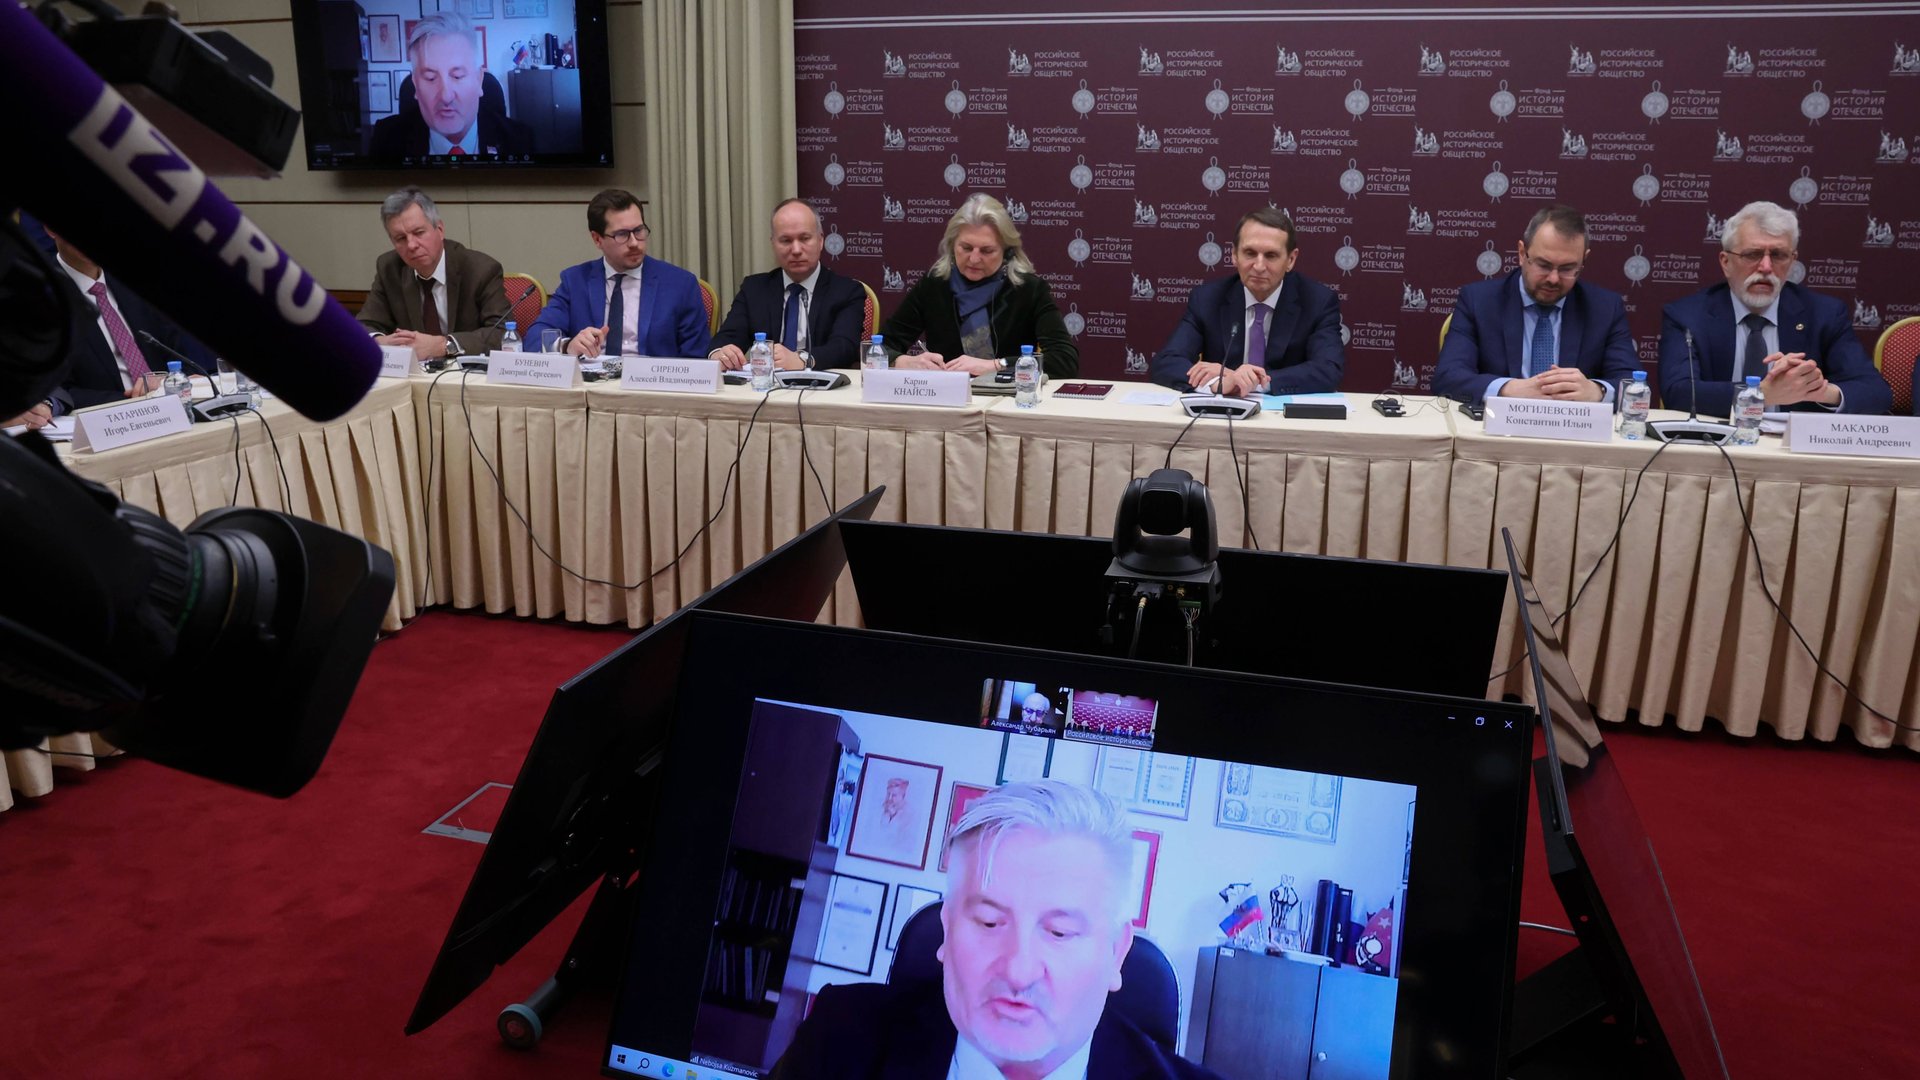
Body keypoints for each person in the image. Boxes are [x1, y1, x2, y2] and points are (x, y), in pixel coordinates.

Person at [775, 780, 1218, 1079]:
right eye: (989, 922)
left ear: (1116, 953)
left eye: (1060, 932)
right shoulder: (838, 1038)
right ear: (947, 929)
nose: (1019, 971)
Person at [1658, 200, 1892, 416]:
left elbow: (1876, 393)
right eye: (1753, 254)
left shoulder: (1824, 314)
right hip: (1716, 442)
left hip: (1794, 446)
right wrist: (1761, 394)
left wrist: (1819, 391)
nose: (1766, 267)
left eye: (1778, 255)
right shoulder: (1688, 316)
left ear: (1792, 261)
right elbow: (1677, 393)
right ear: (1726, 262)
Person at [1431, 204, 1637, 405]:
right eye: (1543, 265)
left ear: (1584, 260)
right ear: (1522, 253)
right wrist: (1507, 389)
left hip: (1572, 426)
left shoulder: (1604, 309)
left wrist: (1598, 391)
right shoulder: (1479, 301)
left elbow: (1634, 386)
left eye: (1567, 269)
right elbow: (1448, 377)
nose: (1553, 279)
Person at [879, 193, 1078, 379]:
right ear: (952, 246)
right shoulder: (935, 284)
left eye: (987, 250)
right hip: (946, 396)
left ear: (1007, 252)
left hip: (1010, 397)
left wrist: (997, 365)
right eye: (966, 248)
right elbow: (879, 348)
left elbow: (1065, 361)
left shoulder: (1029, 289)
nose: (974, 259)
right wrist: (904, 361)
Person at [1149, 207, 1343, 396]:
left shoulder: (1317, 302)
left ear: (1291, 259)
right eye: (1250, 253)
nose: (1259, 266)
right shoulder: (1207, 299)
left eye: (1271, 255)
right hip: (1222, 412)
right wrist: (1218, 383)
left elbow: (1328, 369)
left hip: (1283, 412)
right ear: (1234, 255)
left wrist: (1252, 382)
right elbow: (1167, 362)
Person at [527, 189, 712, 359]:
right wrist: (567, 346)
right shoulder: (575, 281)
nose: (634, 243)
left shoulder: (680, 284)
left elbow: (697, 356)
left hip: (653, 382)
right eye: (622, 234)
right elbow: (535, 338)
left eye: (639, 231)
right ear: (597, 239)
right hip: (591, 381)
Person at [44, 226, 208, 413]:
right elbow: (58, 394)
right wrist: (141, 399)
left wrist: (167, 384)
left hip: (174, 412)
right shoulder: (37, 299)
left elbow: (185, 361)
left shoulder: (139, 279)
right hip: (108, 420)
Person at [355, 186, 511, 363]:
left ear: (440, 229)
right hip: (414, 374)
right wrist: (378, 342)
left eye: (418, 233)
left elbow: (502, 334)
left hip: (465, 373)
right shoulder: (389, 268)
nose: (411, 245)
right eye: (401, 238)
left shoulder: (480, 269)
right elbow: (364, 325)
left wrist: (444, 345)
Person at [709, 198, 867, 371]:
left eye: (805, 238)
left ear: (821, 240)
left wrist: (803, 360)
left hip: (821, 385)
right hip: (765, 385)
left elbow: (844, 347)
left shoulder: (847, 291)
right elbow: (727, 337)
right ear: (773, 244)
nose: (796, 250)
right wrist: (720, 354)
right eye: (786, 240)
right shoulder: (754, 289)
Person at [367, 12, 533, 159]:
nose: (446, 96)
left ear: (478, 80)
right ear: (415, 85)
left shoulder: (520, 141)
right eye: (431, 78)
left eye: (457, 76)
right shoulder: (386, 140)